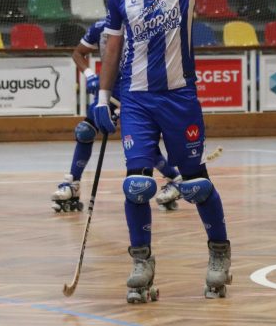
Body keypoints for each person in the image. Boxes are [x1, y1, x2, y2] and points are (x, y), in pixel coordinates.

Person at [93, 0, 252, 303]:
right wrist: (103, 97)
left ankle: (219, 253)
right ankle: (141, 261)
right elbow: (112, 48)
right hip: (137, 100)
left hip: (180, 98)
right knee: (138, 185)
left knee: (196, 184)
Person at [51, 19, 183, 212]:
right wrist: (90, 75)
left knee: (142, 143)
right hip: (109, 90)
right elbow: (78, 53)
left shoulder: (142, 25)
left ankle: (175, 177)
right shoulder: (100, 28)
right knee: (85, 131)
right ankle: (73, 183)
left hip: (137, 91)